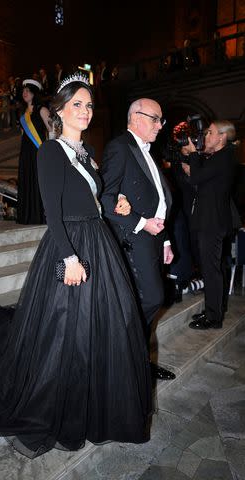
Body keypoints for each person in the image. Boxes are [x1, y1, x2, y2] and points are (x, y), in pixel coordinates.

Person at [0, 73, 152, 459]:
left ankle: (97, 401)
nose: (85, 111)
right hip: (70, 247)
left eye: (89, 105)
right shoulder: (51, 151)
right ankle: (62, 403)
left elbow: (92, 201)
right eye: (77, 104)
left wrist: (116, 204)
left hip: (99, 240)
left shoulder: (87, 152)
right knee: (65, 332)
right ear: (59, 110)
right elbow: (53, 213)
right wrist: (70, 258)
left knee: (105, 325)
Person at [101, 98, 176, 380]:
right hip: (135, 238)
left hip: (154, 238)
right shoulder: (120, 147)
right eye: (155, 119)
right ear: (135, 117)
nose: (160, 125)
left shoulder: (147, 151)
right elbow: (106, 200)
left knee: (150, 300)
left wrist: (166, 239)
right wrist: (142, 224)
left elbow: (158, 200)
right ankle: (128, 359)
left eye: (161, 120)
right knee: (153, 298)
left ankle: (137, 360)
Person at [182, 121, 239, 329]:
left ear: (222, 136)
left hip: (212, 222)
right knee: (213, 267)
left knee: (211, 269)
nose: (206, 136)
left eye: (210, 132)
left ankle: (213, 318)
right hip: (212, 220)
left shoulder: (224, 157)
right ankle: (213, 310)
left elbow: (197, 177)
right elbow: (202, 181)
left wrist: (194, 154)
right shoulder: (221, 157)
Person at [17, 79, 51, 224]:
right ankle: (28, 215)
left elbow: (53, 130)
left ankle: (40, 215)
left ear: (34, 93)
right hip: (26, 153)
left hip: (39, 151)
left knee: (39, 182)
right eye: (23, 91)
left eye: (28, 91)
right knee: (28, 180)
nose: (24, 93)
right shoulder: (23, 113)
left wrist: (50, 151)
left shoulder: (42, 109)